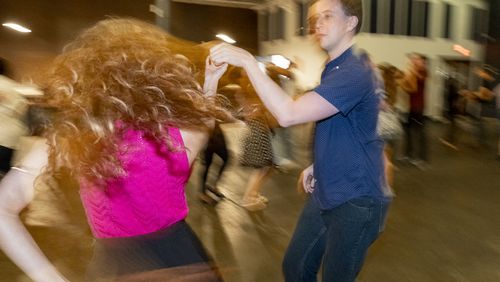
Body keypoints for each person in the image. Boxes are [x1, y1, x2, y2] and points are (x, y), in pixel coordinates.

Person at [0, 18, 233, 281]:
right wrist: (212, 78)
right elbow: (205, 122)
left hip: (113, 267)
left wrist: (51, 279)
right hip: (180, 258)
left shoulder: (71, 136)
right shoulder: (175, 134)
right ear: (155, 73)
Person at [209, 0, 392, 280]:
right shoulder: (335, 67)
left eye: (328, 16)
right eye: (315, 18)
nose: (317, 23)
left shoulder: (355, 71)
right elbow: (343, 126)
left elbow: (289, 114)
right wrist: (319, 163)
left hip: (358, 199)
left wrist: (248, 60)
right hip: (327, 188)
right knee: (295, 266)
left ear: (351, 22)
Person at [398, 52, 429, 168]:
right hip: (411, 107)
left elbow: (420, 80)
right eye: (415, 60)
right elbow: (408, 86)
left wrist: (413, 68)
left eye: (418, 60)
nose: (416, 62)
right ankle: (408, 154)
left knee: (420, 133)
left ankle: (422, 159)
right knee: (408, 131)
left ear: (423, 62)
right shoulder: (413, 72)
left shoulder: (424, 71)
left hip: (419, 107)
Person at [0, 57, 29, 175]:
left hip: (2, 137)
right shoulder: (15, 87)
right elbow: (21, 112)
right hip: (13, 139)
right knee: (5, 172)